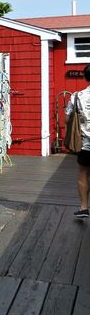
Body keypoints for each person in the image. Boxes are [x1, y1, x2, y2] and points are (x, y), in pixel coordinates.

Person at [65, 63, 90, 219]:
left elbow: (68, 119)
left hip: (85, 143)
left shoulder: (77, 96)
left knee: (84, 173)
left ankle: (84, 208)